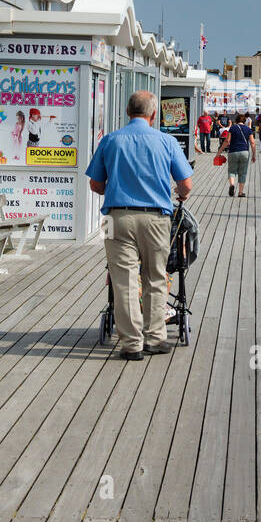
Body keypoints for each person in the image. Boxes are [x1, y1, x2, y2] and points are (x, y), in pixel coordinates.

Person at [85, 91, 193, 360]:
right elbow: (186, 184)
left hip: (115, 219)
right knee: (155, 278)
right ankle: (155, 338)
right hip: (156, 218)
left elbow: (95, 184)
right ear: (153, 115)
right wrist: (181, 193)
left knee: (123, 281)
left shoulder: (109, 140)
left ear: (126, 111)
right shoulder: (166, 141)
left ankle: (131, 343)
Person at [224, 113, 255, 197]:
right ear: (244, 121)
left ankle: (232, 185)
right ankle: (240, 192)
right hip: (244, 152)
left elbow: (227, 141)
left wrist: (219, 152)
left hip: (233, 151)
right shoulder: (248, 129)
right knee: (243, 173)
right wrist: (254, 154)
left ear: (236, 120)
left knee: (231, 171)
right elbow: (252, 142)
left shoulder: (232, 128)